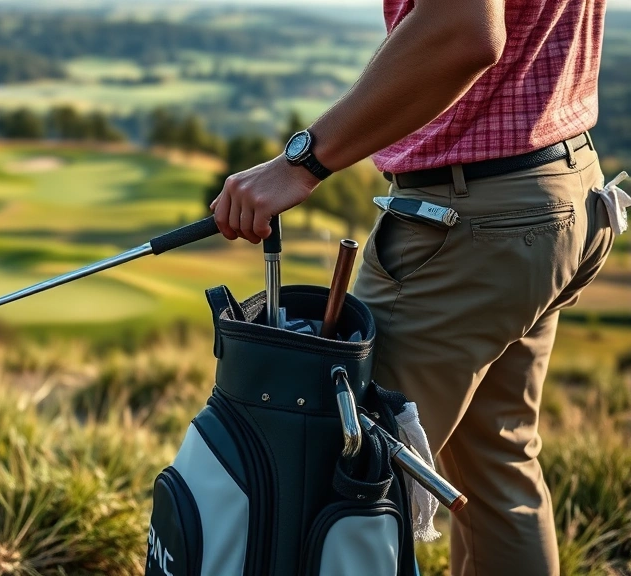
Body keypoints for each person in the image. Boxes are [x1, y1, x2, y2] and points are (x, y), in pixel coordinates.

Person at [209, 1, 616, 574]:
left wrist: (300, 164)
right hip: (557, 192)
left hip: (470, 226)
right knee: (497, 469)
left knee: (342, 486)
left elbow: (462, 33)